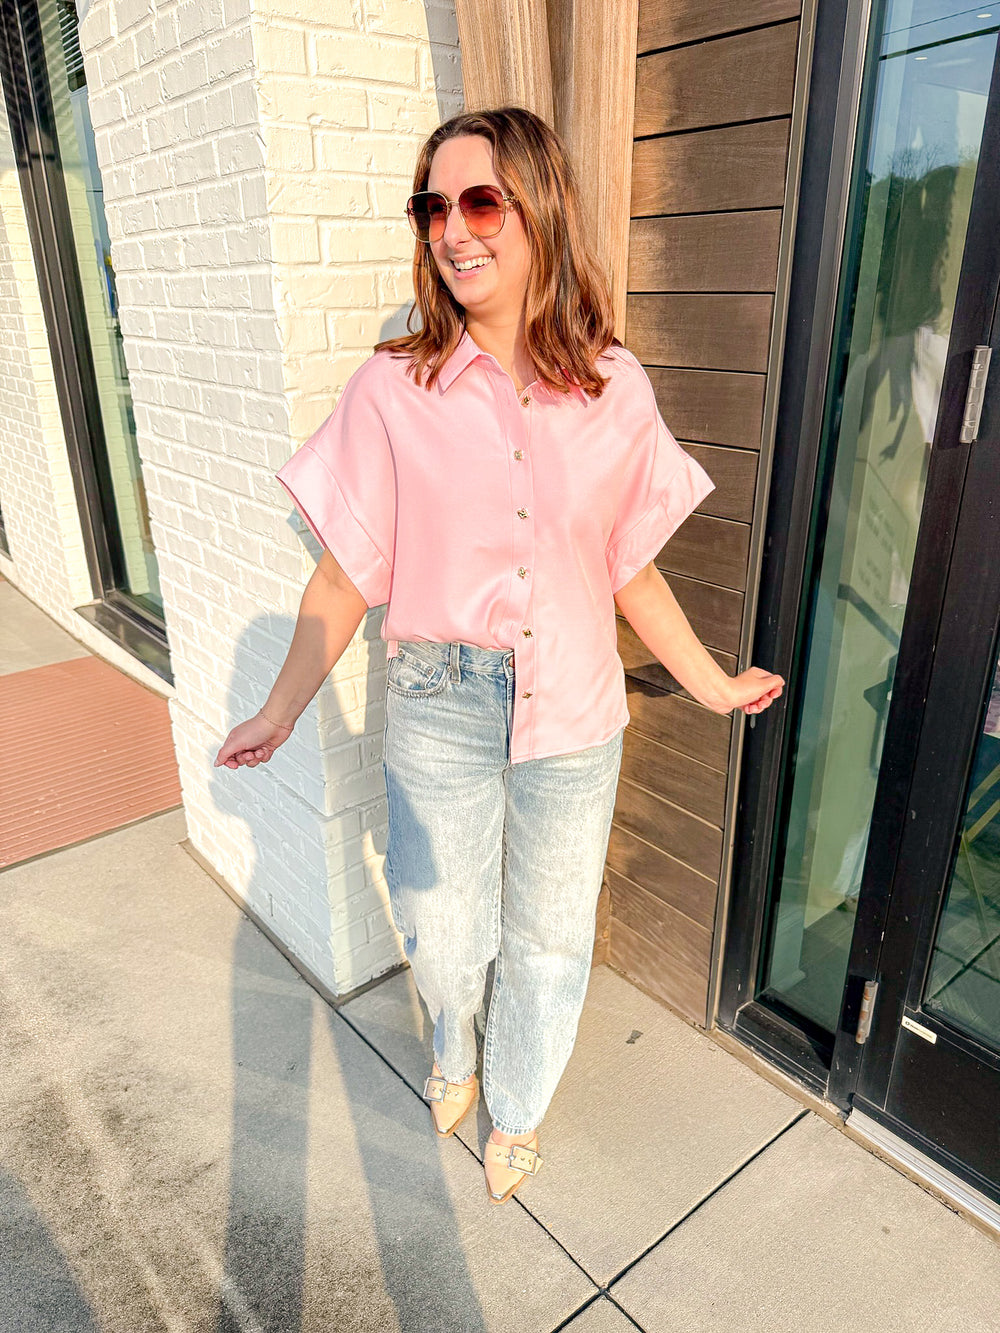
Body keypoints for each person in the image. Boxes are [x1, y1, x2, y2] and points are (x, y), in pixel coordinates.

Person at [214, 106, 784, 1204]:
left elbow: (628, 569)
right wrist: (279, 710)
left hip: (574, 703)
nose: (453, 230)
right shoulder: (393, 388)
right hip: (440, 697)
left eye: (480, 201)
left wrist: (712, 684)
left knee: (550, 941)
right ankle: (452, 1038)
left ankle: (514, 1105)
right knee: (442, 930)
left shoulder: (614, 386)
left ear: (539, 209)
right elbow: (342, 577)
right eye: (432, 207)